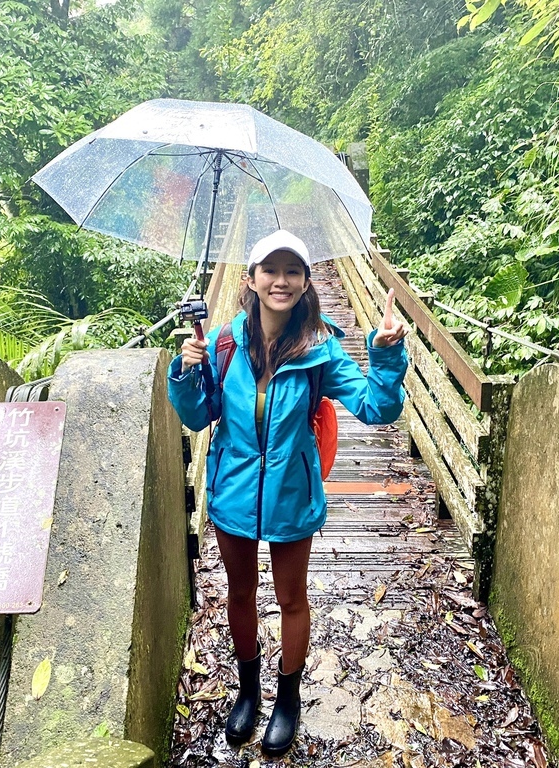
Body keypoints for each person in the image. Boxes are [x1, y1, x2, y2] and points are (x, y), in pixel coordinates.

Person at [167, 229, 407, 756]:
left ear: (304, 282)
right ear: (250, 280)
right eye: (270, 270)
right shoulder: (223, 343)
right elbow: (198, 414)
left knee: (292, 598)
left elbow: (378, 409)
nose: (281, 280)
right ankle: (249, 691)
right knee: (240, 592)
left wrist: (385, 357)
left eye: (292, 271)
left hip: (293, 495)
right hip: (231, 494)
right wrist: (186, 373)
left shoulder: (320, 349)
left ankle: (288, 699)